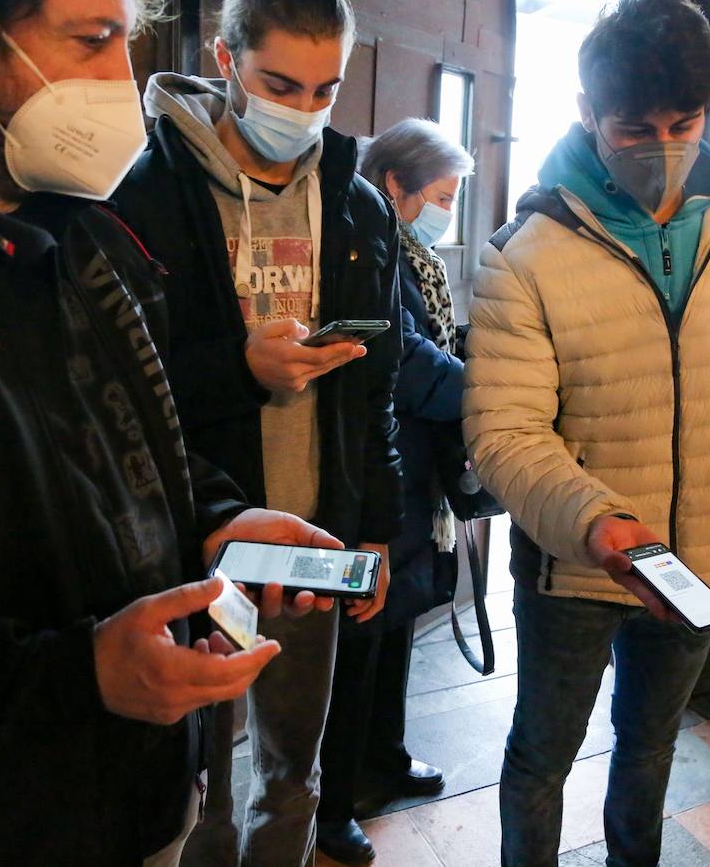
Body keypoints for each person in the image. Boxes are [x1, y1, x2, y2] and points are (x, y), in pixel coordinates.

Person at [0, 0, 345, 864]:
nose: (122, 84)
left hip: (141, 802)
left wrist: (216, 522)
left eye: (124, 41)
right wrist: (77, 676)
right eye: (93, 41)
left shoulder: (85, 222)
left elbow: (124, 444)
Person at [463, 0, 710, 866]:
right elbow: (503, 433)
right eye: (635, 128)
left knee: (650, 747)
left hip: (706, 557)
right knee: (541, 756)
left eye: (685, 123)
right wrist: (598, 525)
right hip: (578, 571)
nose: (664, 148)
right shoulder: (524, 253)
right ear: (588, 114)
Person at [111, 0, 401, 865]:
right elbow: (119, 392)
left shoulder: (353, 205)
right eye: (280, 83)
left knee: (294, 770)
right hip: (195, 536)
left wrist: (379, 529)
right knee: (197, 780)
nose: (304, 109)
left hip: (314, 537)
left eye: (326, 88)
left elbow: (376, 388)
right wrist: (240, 368)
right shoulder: (147, 193)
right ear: (227, 60)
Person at [314, 118, 474, 863]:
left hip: (412, 477)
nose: (446, 212)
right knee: (361, 640)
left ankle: (387, 757)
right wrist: (484, 394)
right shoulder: (361, 247)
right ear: (394, 186)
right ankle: (336, 800)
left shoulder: (413, 255)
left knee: (400, 624)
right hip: (376, 469)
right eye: (440, 196)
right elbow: (407, 361)